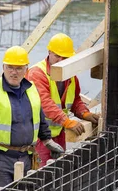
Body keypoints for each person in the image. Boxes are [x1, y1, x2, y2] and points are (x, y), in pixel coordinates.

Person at [0, 46, 65, 191]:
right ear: (3, 67)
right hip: (0, 158)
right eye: (10, 67)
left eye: (19, 68)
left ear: (26, 69)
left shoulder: (31, 89)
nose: (14, 72)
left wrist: (47, 140)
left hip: (26, 156)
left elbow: (38, 116)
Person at [27, 33, 100, 166]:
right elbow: (45, 104)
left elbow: (75, 100)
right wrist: (66, 121)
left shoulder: (70, 75)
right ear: (49, 52)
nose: (61, 60)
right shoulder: (37, 74)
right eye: (57, 56)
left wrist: (84, 113)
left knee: (60, 170)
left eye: (65, 57)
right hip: (38, 135)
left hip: (58, 133)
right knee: (42, 174)